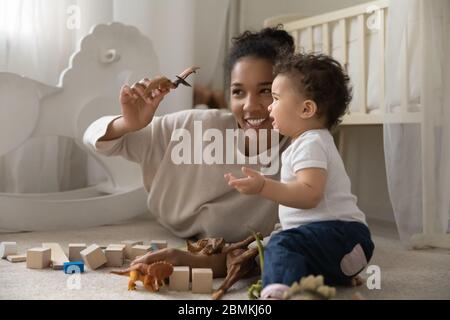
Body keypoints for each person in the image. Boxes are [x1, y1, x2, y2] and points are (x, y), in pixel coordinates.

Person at [83, 26, 294, 277]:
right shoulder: (196, 126)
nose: (250, 106)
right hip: (173, 219)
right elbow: (93, 135)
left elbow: (281, 250)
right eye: (238, 92)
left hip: (225, 245)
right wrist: (129, 124)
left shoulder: (300, 151)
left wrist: (196, 262)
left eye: (265, 91)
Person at [225, 52, 375, 298]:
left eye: (275, 98)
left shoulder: (311, 143)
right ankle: (338, 271)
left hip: (340, 233)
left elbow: (309, 194)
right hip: (339, 239)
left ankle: (278, 294)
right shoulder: (310, 142)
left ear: (306, 109)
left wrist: (263, 186)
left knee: (281, 245)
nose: (270, 106)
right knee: (287, 252)